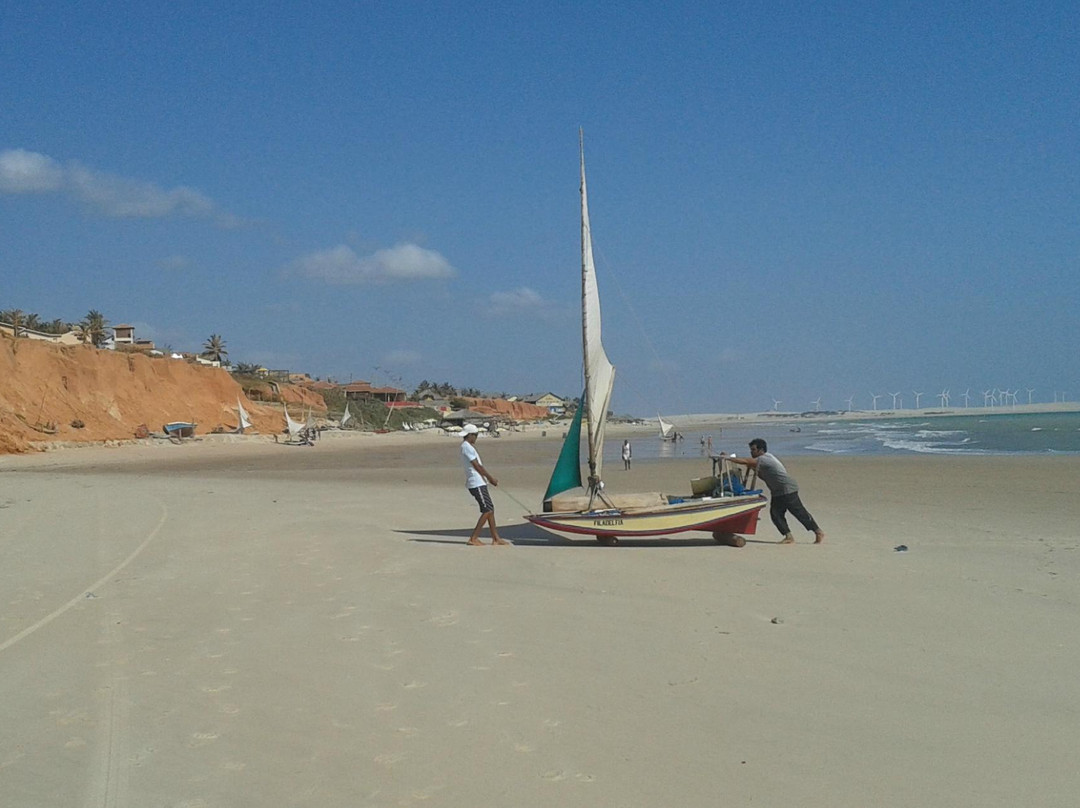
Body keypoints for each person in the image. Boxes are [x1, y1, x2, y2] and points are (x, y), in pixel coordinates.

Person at [721, 438, 825, 545]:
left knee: (798, 512)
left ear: (761, 450)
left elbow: (746, 461)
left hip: (787, 488)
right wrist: (734, 459)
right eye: (751, 450)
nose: (751, 452)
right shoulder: (761, 461)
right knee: (776, 514)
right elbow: (758, 472)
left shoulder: (764, 458)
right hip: (777, 491)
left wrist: (728, 458)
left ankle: (818, 531)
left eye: (753, 450)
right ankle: (789, 536)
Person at [460, 423, 507, 546]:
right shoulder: (466, 447)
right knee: (487, 510)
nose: (476, 438)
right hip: (476, 483)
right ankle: (473, 538)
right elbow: (477, 466)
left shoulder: (468, 446)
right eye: (475, 435)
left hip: (480, 482)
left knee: (490, 509)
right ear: (470, 435)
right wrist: (490, 478)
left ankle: (496, 538)